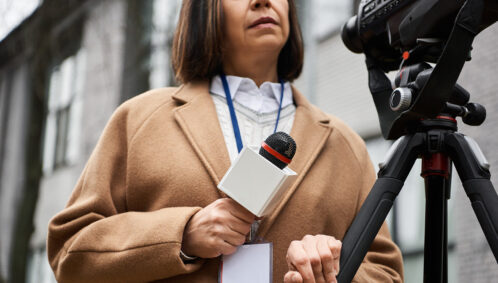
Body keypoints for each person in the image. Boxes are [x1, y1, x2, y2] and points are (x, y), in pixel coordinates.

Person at [47, 0, 404, 282]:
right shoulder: (139, 120)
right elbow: (69, 251)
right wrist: (181, 235)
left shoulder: (345, 144)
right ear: (204, 10)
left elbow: (387, 274)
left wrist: (337, 268)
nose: (264, 1)